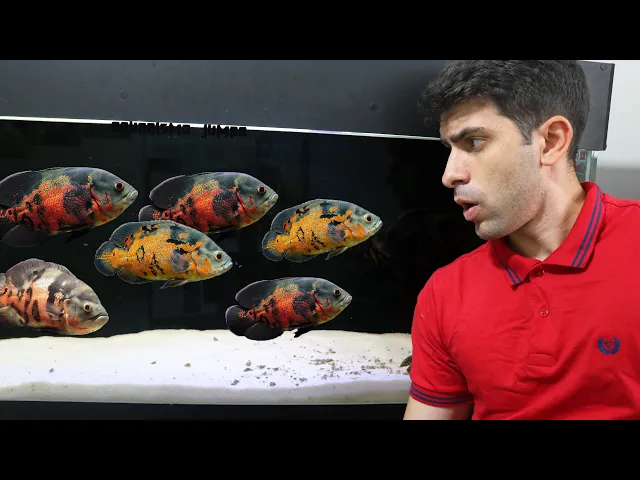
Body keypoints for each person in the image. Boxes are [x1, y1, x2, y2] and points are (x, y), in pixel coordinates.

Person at [403, 60, 640, 420]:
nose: (450, 175)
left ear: (551, 142)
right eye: (449, 149)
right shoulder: (445, 292)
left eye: (474, 142)